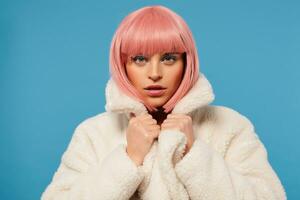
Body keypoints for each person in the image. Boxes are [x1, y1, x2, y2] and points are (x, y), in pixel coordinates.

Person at [41, 5, 287, 200]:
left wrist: (196, 154)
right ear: (123, 65)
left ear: (186, 62)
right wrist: (127, 158)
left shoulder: (230, 126)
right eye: (139, 59)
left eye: (169, 58)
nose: (155, 73)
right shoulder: (92, 134)